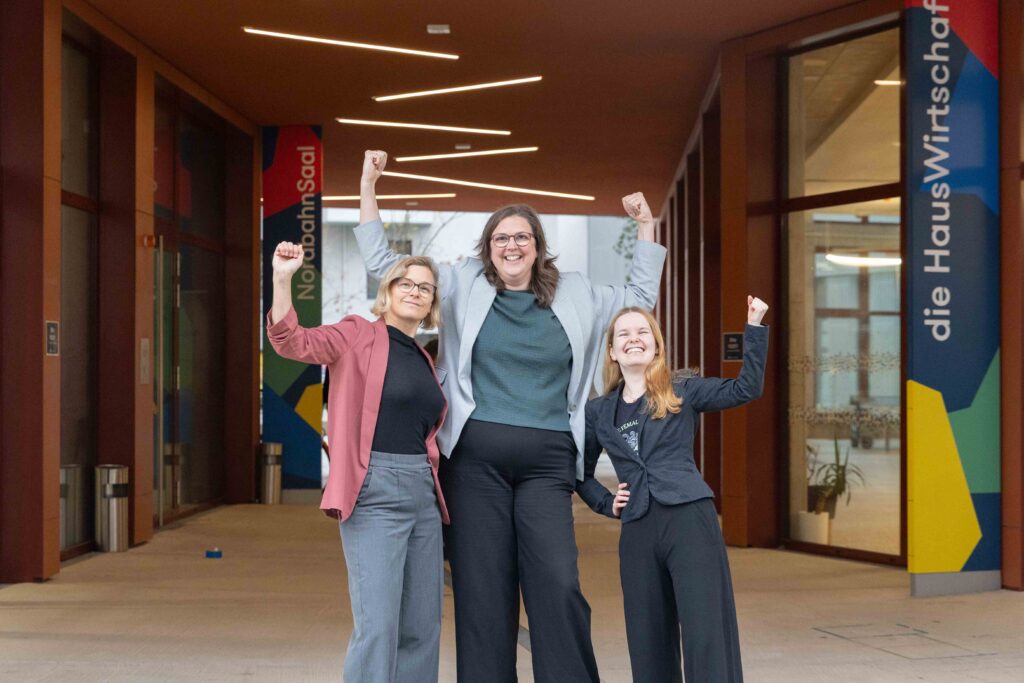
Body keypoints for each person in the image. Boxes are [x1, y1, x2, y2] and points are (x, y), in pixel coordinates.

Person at [355, 150, 667, 682]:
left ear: (538, 247)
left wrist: (645, 226)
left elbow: (639, 295)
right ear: (488, 248)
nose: (512, 245)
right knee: (482, 590)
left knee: (558, 583)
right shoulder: (458, 285)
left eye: (522, 237)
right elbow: (387, 267)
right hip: (473, 463)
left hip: (549, 464)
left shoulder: (576, 292)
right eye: (501, 238)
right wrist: (367, 186)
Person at [266, 242, 448, 683]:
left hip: (423, 494)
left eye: (425, 288)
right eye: (406, 282)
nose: (416, 291)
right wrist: (282, 279)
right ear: (387, 291)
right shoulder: (356, 334)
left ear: (431, 304)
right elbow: (291, 343)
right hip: (376, 491)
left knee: (423, 626)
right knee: (378, 626)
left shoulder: (426, 358)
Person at [576, 297, 769, 683]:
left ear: (656, 344)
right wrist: (605, 501)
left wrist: (755, 326)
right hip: (638, 527)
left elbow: (745, 389)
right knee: (647, 634)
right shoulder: (598, 412)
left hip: (689, 519)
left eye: (642, 332)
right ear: (612, 350)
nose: (634, 339)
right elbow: (577, 472)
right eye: (623, 334)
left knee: (705, 629)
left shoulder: (682, 388)